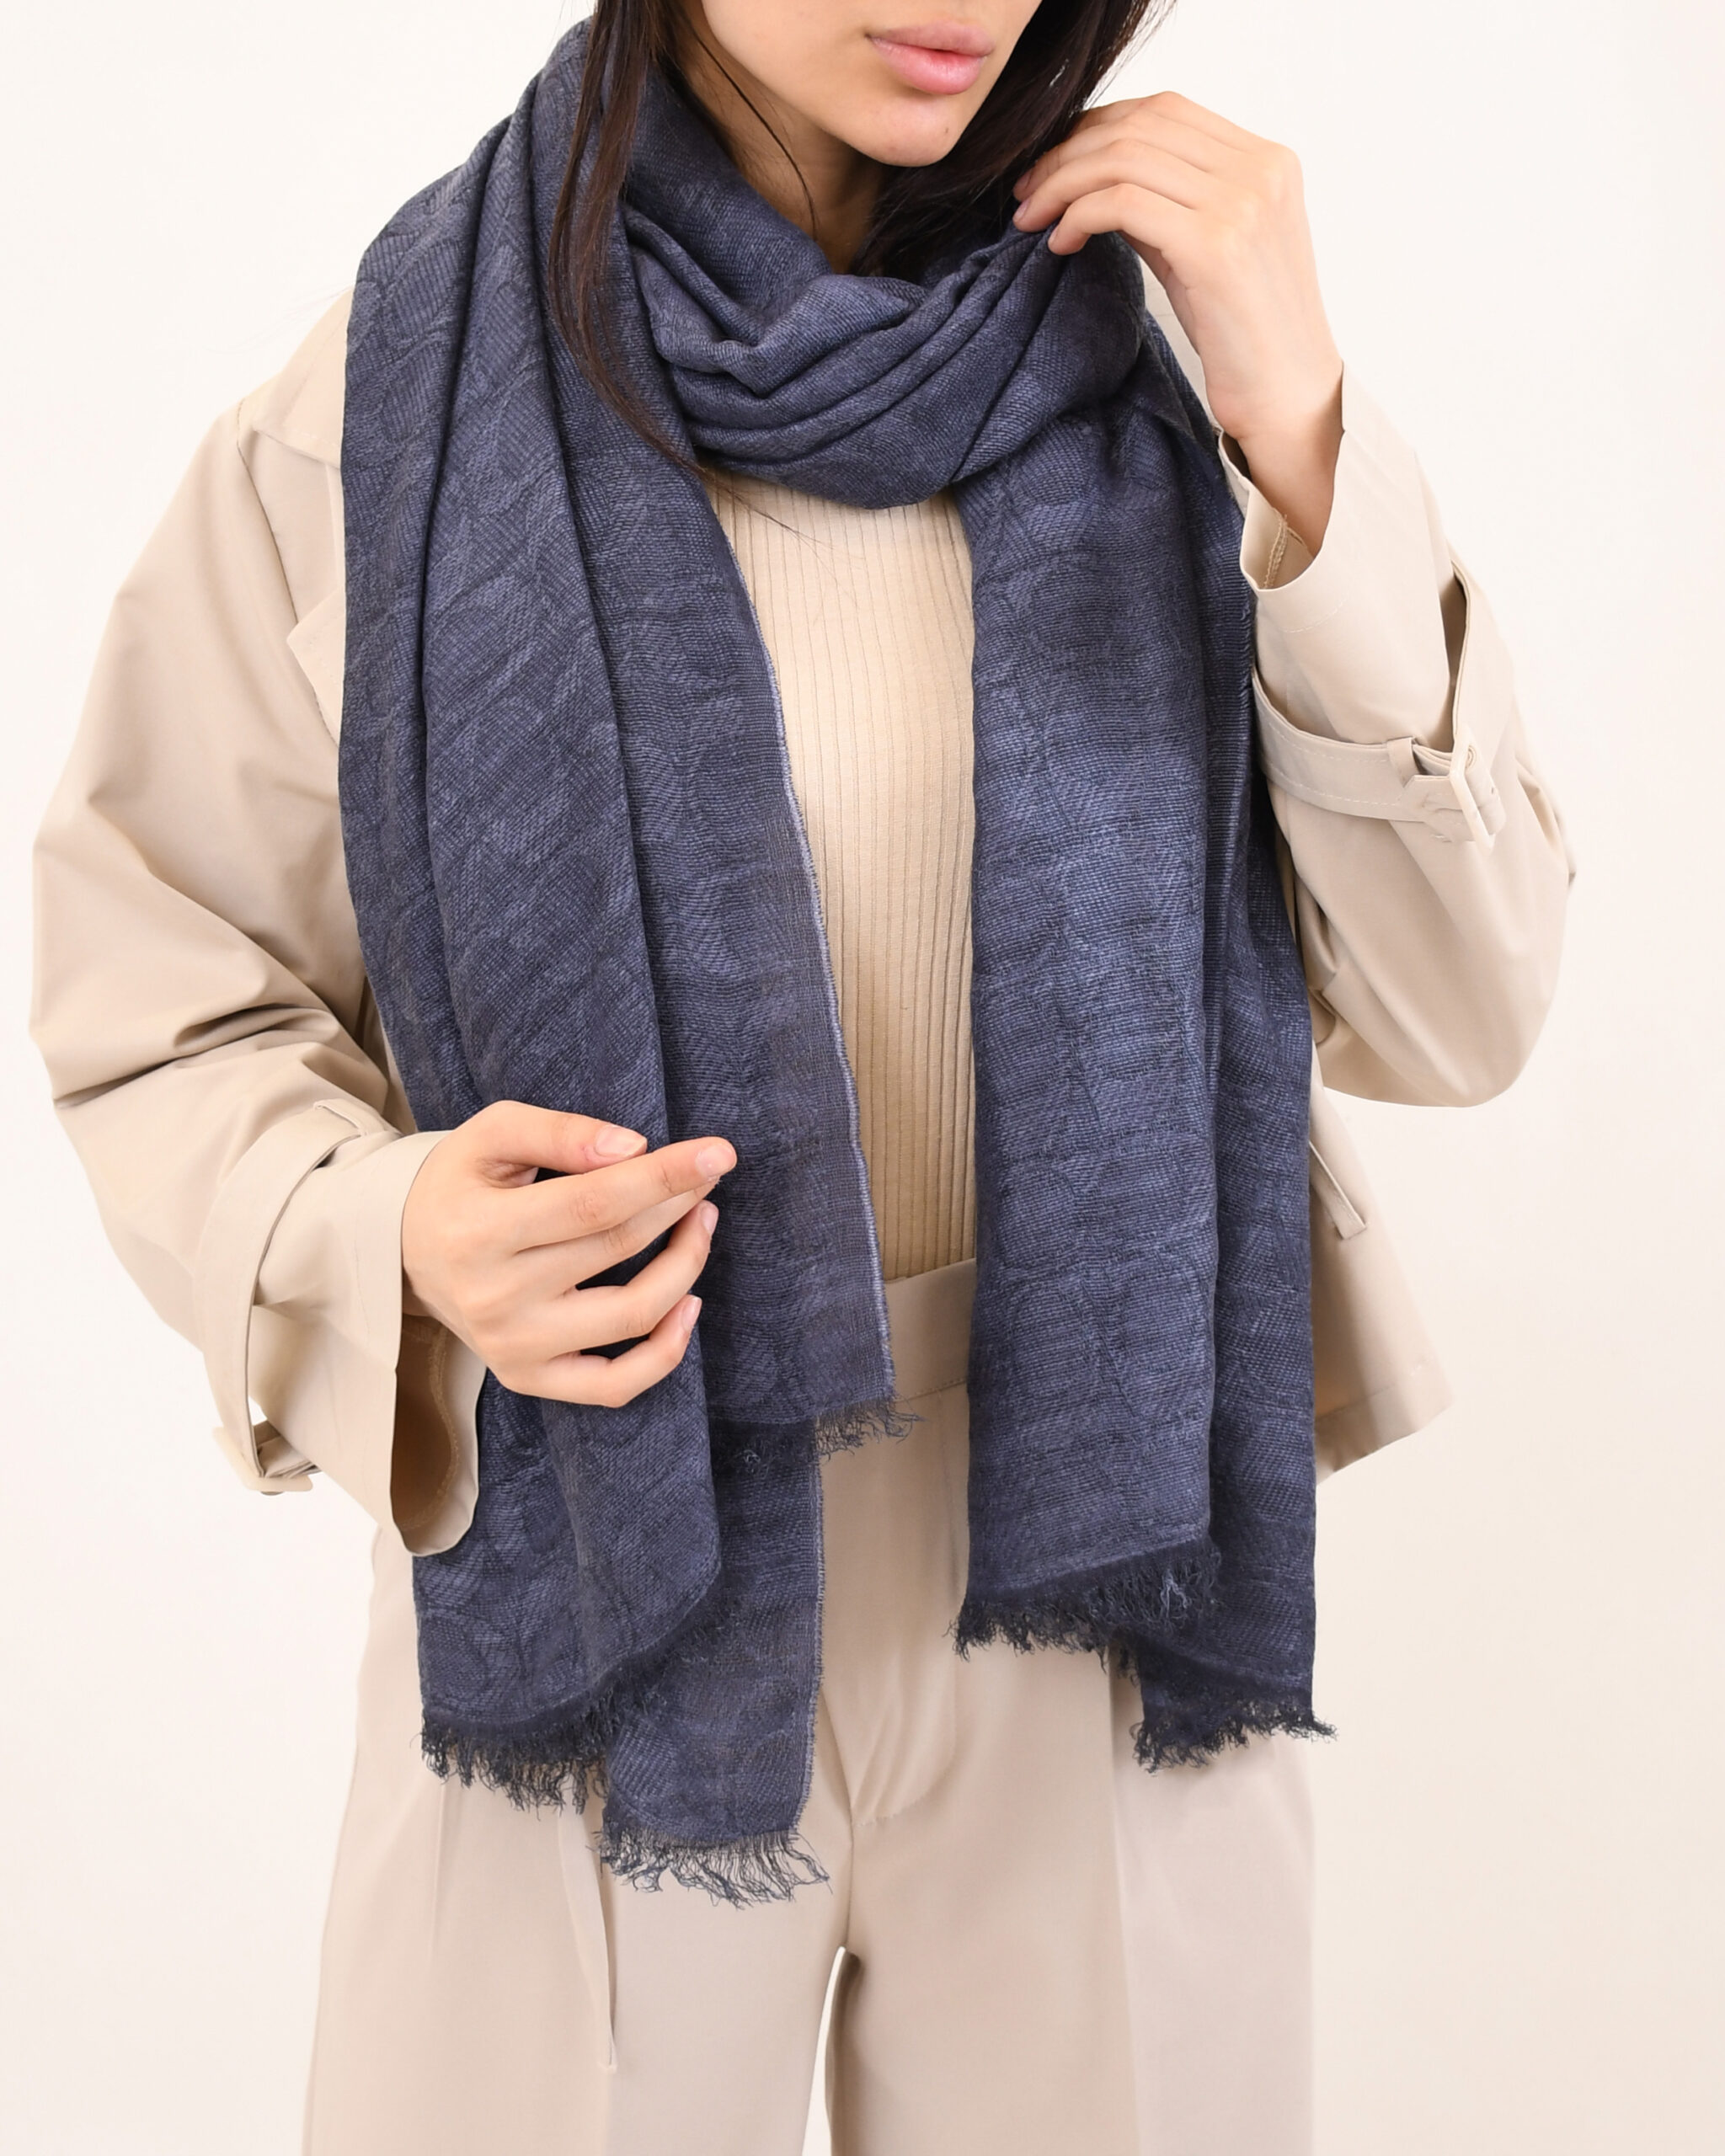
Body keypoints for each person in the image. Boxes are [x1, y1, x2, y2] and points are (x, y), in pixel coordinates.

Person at [30, 4, 1572, 2152]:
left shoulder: (1168, 376)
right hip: (602, 1528)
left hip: (1107, 1534)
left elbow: (1459, 1005)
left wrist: (1301, 427)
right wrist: (390, 1228)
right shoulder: (395, 404)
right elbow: (161, 983)